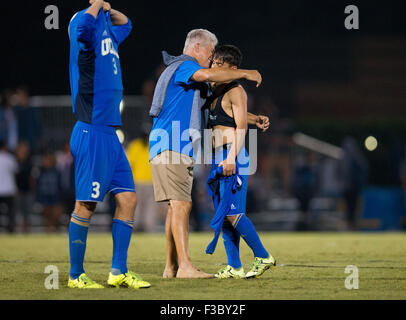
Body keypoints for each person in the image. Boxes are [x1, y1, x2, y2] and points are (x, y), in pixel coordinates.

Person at [149, 29, 263, 279]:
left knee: (175, 206)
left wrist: (252, 119)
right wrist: (244, 72)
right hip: (171, 144)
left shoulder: (189, 80)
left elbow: (220, 113)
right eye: (211, 53)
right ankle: (186, 267)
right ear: (198, 47)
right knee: (182, 205)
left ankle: (171, 267)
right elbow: (208, 74)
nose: (212, 59)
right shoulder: (185, 66)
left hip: (172, 145)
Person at [67, 0, 150, 289]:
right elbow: (82, 26)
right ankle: (76, 275)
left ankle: (118, 271)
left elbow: (126, 23)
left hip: (110, 136)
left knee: (128, 199)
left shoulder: (107, 36)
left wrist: (108, 10)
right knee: (86, 204)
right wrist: (98, 5)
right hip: (92, 131)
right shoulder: (86, 39)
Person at [204, 45, 275, 279]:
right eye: (212, 62)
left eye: (218, 63)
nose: (212, 66)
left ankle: (263, 256)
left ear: (232, 68)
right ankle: (234, 266)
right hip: (217, 157)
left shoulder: (236, 90)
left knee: (234, 213)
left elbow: (240, 126)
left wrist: (231, 157)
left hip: (231, 156)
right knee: (224, 215)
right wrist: (257, 118)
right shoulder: (214, 91)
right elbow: (236, 117)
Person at [127, 125, 165, 232]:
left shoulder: (135, 145)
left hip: (140, 180)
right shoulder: (154, 146)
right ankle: (148, 227)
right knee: (149, 206)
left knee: (139, 205)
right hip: (148, 181)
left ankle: (137, 226)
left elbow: (130, 165)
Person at [37, 152, 63, 233]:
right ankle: (47, 231)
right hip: (45, 196)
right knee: (47, 215)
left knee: (56, 216)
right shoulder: (41, 171)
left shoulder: (57, 172)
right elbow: (39, 185)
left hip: (55, 196)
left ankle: (57, 230)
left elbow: (60, 184)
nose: (46, 162)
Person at [15, 141, 35, 233]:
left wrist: (32, 189)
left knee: (27, 213)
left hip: (27, 191)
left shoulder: (30, 162)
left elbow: (32, 177)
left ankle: (26, 231)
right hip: (17, 191)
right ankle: (18, 231)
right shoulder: (14, 161)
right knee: (18, 212)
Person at [0, 140, 18, 233]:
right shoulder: (10, 158)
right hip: (8, 189)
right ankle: (10, 230)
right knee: (10, 213)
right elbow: (15, 172)